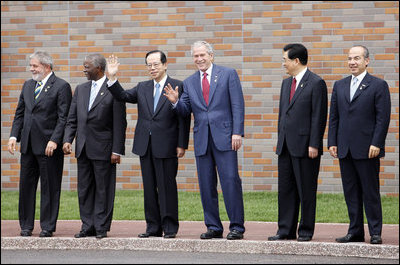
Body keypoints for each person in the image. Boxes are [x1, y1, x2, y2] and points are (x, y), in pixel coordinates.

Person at [164, 40, 245, 240]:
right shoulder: (189, 82)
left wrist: (237, 132)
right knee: (206, 185)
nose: (199, 59)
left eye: (202, 55)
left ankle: (236, 227)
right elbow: (185, 110)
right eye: (196, 56)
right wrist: (175, 102)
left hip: (226, 138)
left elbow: (237, 104)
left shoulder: (228, 74)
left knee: (230, 182)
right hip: (202, 140)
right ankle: (213, 226)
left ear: (211, 55)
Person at [106, 50, 190, 239]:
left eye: (156, 64)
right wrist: (112, 77)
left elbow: (184, 118)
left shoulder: (177, 85)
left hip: (167, 145)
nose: (152, 68)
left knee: (167, 186)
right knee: (149, 187)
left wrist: (181, 144)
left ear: (165, 65)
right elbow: (123, 96)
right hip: (145, 145)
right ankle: (152, 227)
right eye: (149, 65)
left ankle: (169, 228)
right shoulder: (143, 87)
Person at [328, 45, 391, 245]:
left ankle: (375, 232)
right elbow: (334, 117)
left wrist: (377, 143)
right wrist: (332, 142)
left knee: (370, 191)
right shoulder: (339, 85)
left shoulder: (378, 85)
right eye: (349, 58)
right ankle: (354, 230)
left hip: (368, 149)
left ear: (366, 61)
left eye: (356, 58)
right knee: (351, 192)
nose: (352, 62)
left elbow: (383, 118)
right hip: (345, 149)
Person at [7, 50, 72, 237]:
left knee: (50, 188)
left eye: (35, 66)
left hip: (49, 147)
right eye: (31, 66)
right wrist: (13, 137)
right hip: (27, 145)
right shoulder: (27, 86)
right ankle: (26, 226)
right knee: (26, 187)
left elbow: (63, 117)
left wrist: (55, 140)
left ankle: (47, 226)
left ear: (46, 66)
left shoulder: (61, 86)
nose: (31, 69)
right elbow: (20, 113)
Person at [63, 53, 127, 239]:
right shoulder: (81, 89)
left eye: (87, 67)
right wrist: (68, 139)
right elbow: (72, 118)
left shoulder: (112, 89)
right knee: (84, 188)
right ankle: (87, 225)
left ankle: (101, 227)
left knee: (103, 189)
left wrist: (117, 150)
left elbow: (119, 123)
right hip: (82, 148)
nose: (84, 70)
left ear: (98, 68)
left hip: (104, 149)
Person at [268, 43, 328, 242]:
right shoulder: (286, 83)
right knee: (285, 190)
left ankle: (305, 230)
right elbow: (283, 116)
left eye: (285, 59)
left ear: (296, 60)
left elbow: (318, 116)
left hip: (305, 147)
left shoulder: (316, 83)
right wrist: (279, 141)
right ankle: (285, 230)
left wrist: (314, 144)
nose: (283, 63)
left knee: (306, 190)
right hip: (285, 146)